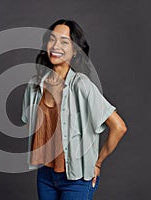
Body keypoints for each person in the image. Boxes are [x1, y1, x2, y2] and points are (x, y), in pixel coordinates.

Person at [21, 19, 127, 200]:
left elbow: (119, 127)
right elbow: (30, 122)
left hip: (76, 180)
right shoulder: (35, 84)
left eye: (64, 41)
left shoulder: (82, 85)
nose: (56, 46)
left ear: (75, 51)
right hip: (45, 175)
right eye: (52, 39)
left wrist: (98, 162)